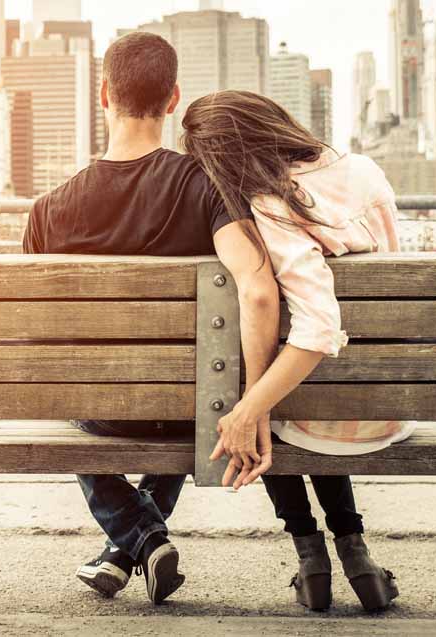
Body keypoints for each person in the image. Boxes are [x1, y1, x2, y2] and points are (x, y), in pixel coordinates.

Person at [22, 34, 281, 605]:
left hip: (102, 414)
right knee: (191, 393)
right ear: (173, 100)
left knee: (74, 398)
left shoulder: (46, 211)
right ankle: (137, 541)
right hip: (186, 408)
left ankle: (135, 541)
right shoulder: (206, 185)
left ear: (103, 95)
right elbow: (259, 293)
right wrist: (253, 403)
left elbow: (39, 340)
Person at [182, 89, 415, 612]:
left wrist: (249, 406)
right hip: (387, 399)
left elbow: (317, 329)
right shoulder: (362, 168)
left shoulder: (274, 203)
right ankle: (356, 553)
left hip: (329, 413)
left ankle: (312, 559)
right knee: (285, 400)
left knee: (263, 408)